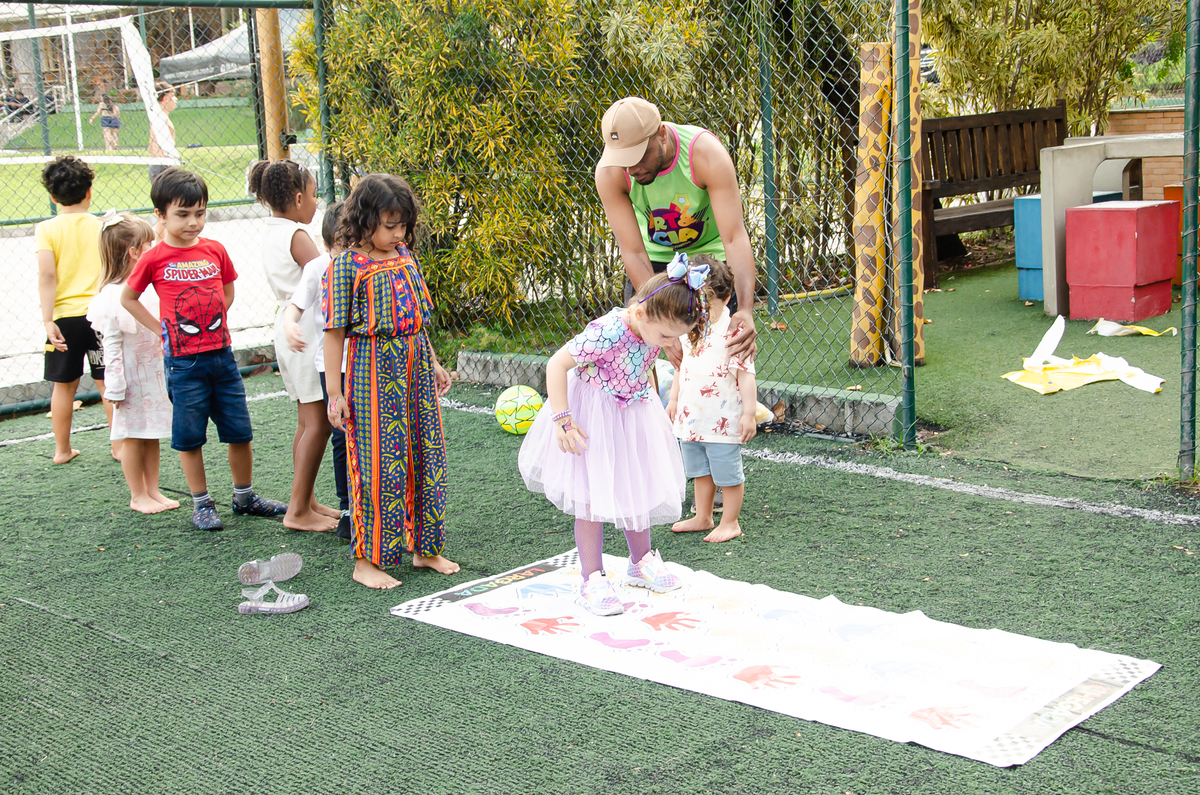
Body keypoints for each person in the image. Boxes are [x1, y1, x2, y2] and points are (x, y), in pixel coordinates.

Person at [518, 257, 713, 616]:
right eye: (666, 336)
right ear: (640, 313)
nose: (670, 343)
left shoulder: (653, 328)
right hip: (592, 417)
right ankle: (592, 579)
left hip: (632, 411)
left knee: (635, 484)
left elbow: (645, 362)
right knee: (590, 496)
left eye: (676, 336)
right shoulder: (608, 331)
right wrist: (562, 419)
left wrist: (652, 400)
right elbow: (556, 364)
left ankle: (641, 562)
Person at [120, 167, 287, 531]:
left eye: (200, 213)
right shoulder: (154, 258)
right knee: (189, 437)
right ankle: (202, 503)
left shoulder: (214, 250)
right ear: (160, 215)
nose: (193, 222)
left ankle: (244, 497)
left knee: (240, 432)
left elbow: (227, 288)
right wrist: (161, 330)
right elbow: (128, 298)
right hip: (183, 364)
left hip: (222, 357)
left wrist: (213, 318)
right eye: (182, 214)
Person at [324, 174, 459, 589]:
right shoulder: (346, 265)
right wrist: (334, 392)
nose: (398, 233)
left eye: (403, 225)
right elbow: (333, 332)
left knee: (426, 453)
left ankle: (425, 548)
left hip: (415, 365)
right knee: (378, 463)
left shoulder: (404, 255)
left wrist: (433, 361)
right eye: (389, 225)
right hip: (371, 370)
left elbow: (417, 317)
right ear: (364, 220)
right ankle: (367, 561)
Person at [594, 96, 758, 368]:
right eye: (624, 161)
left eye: (638, 156)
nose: (632, 169)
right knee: (641, 359)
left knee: (717, 360)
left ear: (661, 134)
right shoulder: (610, 173)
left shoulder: (705, 154)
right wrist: (663, 331)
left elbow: (734, 237)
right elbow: (632, 251)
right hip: (654, 265)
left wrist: (745, 310)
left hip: (708, 263)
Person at [248, 159, 339, 533]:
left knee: (306, 422)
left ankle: (307, 500)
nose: (317, 203)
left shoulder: (272, 229)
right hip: (305, 332)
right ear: (299, 198)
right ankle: (298, 509)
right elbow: (327, 275)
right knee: (319, 424)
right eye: (315, 195)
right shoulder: (297, 234)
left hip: (287, 326)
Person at [87, 211, 179, 514]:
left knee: (151, 434)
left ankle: (152, 489)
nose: (155, 248)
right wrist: (114, 386)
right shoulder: (113, 296)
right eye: (149, 244)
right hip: (129, 381)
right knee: (132, 437)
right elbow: (111, 345)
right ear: (134, 252)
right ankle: (137, 494)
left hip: (152, 377)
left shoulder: (145, 288)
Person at [666, 254, 756, 543]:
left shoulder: (734, 331)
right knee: (699, 471)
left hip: (721, 420)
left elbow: (746, 374)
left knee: (727, 474)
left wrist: (749, 414)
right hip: (692, 418)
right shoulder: (688, 328)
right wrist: (673, 400)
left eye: (707, 306)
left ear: (727, 298)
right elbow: (681, 368)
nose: (701, 312)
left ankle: (730, 522)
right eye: (696, 305)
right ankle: (703, 516)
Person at [35, 155, 117, 464]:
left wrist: (48, 320)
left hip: (64, 320)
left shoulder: (46, 229)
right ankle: (119, 448)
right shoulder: (103, 226)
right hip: (100, 316)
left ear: (52, 197)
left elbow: (47, 275)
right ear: (89, 192)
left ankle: (62, 450)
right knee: (107, 382)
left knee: (64, 386)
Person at [284, 201, 352, 539]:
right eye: (341, 247)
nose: (349, 254)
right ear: (327, 246)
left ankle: (379, 504)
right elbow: (295, 306)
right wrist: (289, 325)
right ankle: (349, 508)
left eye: (354, 244)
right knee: (342, 434)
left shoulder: (370, 266)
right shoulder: (317, 268)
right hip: (333, 367)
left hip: (368, 362)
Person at [148, 81, 176, 183]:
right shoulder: (160, 118)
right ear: (165, 98)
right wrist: (168, 166)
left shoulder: (158, 117)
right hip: (163, 166)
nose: (175, 99)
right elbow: (156, 146)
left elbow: (151, 146)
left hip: (161, 165)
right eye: (173, 96)